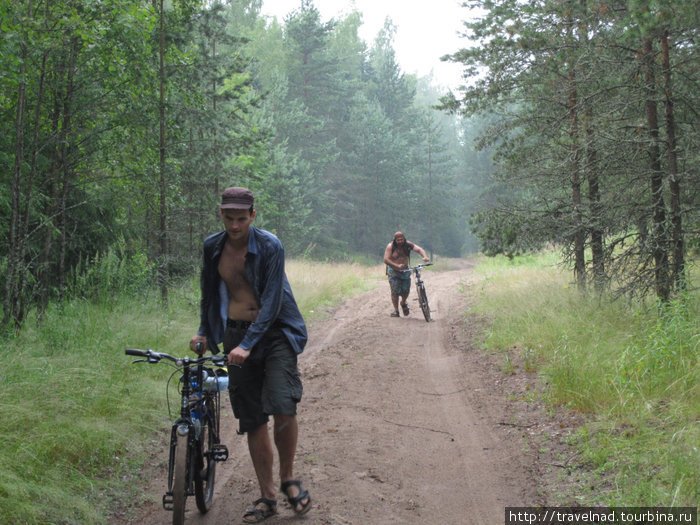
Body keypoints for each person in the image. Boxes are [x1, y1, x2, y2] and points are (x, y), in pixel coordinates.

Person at [190, 186, 311, 523]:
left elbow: (271, 302)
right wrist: (204, 330)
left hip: (275, 334)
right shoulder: (213, 247)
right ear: (221, 215)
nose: (234, 226)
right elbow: (209, 294)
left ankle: (288, 480)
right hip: (235, 334)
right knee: (253, 418)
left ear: (253, 216)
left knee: (284, 406)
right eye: (229, 218)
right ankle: (268, 496)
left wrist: (249, 344)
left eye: (241, 219)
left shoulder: (270, 246)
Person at [383, 232, 429, 318]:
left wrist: (424, 256)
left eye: (402, 239)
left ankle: (403, 303)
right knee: (394, 291)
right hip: (393, 271)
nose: (400, 241)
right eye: (398, 240)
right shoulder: (390, 246)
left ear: (404, 239)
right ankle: (396, 311)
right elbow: (386, 259)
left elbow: (419, 249)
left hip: (405, 270)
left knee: (406, 290)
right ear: (395, 240)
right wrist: (397, 266)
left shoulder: (408, 244)